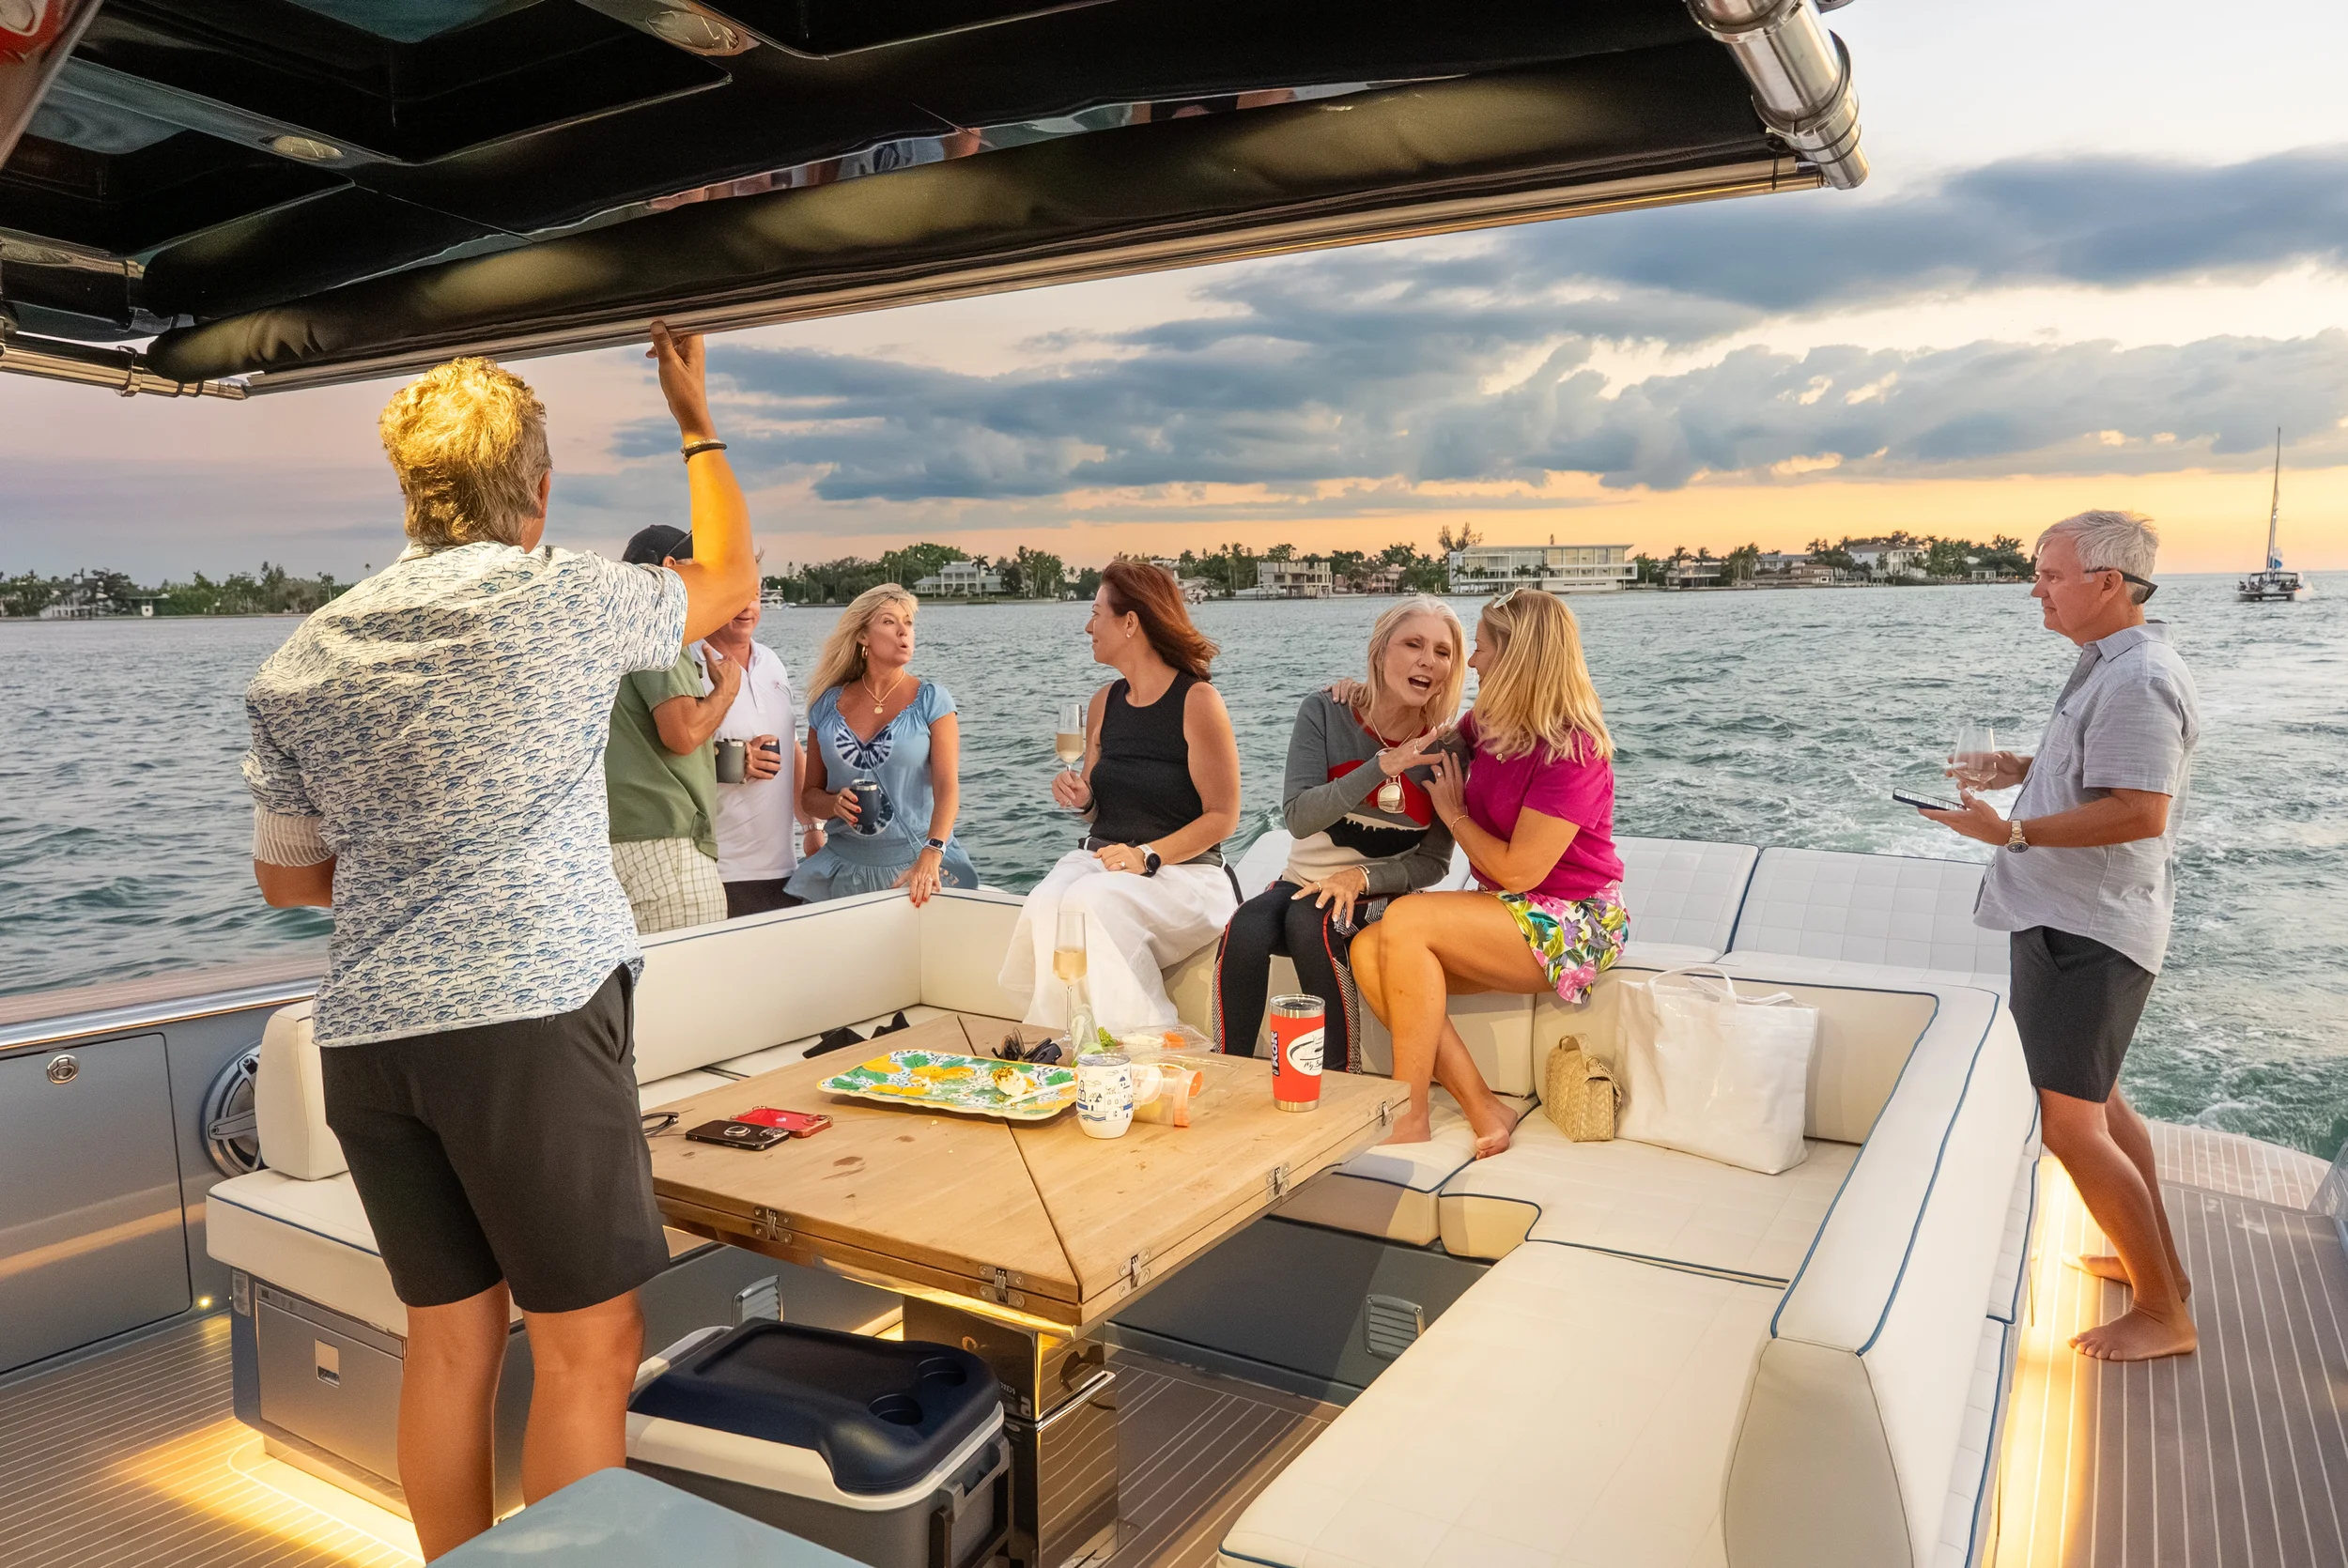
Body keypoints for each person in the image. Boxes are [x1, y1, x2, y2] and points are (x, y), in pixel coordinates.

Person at [241, 326, 757, 1559]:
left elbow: (284, 874)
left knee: (450, 1341)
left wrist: (415, 870)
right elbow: (730, 575)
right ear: (535, 489)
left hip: (371, 1041)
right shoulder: (565, 598)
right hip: (529, 1023)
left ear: (413, 492)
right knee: (588, 1350)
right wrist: (695, 416)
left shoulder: (302, 655)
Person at [1921, 510, 2200, 1362]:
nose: (2033, 587)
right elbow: (2100, 774)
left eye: (2048, 573)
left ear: (2108, 584)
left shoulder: (2138, 677)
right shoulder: (2106, 665)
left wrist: (2009, 832)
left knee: (2070, 1125)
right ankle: (2160, 1272)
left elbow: (2138, 812)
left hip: (2088, 930)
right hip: (2064, 917)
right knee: (2104, 1104)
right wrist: (2020, 773)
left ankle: (2164, 1315)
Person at [1349, 589, 1630, 1158]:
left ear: (1518, 657)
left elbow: (1520, 872)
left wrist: (1454, 813)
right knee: (1368, 947)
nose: (1471, 662)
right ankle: (1484, 1107)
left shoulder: (1572, 752)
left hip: (1575, 923)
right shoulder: (1492, 726)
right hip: (1511, 911)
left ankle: (1411, 1113)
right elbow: (1424, 745)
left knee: (1405, 920)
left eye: (1479, 649)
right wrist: (1357, 701)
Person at [1213, 596, 1465, 1070]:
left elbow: (1434, 864)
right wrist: (1381, 767)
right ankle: (1229, 1074)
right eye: (1413, 644)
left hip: (1381, 893)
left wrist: (1361, 878)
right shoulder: (1325, 711)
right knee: (1246, 925)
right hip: (1300, 882)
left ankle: (1339, 1083)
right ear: (1380, 649)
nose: (1428, 661)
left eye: (1443, 652)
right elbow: (1300, 818)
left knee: (1312, 922)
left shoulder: (1448, 747)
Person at [999, 560, 1243, 1032]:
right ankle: (1066, 1039)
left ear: (1130, 622)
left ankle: (1150, 1045)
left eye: (1096, 613)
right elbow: (1098, 812)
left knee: (1090, 900)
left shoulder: (1197, 702)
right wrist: (1084, 799)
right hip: (1112, 863)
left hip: (1184, 875)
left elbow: (1223, 817)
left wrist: (1146, 856)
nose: (1087, 626)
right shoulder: (1103, 702)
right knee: (1049, 901)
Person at [787, 584, 977, 904]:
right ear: (863, 636)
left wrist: (932, 852)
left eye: (909, 623)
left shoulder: (932, 701)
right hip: (843, 873)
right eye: (889, 622)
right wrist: (834, 805)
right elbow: (809, 798)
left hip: (915, 871)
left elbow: (948, 789)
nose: (904, 631)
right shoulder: (826, 707)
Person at [605, 522, 729, 932]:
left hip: (610, 843)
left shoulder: (604, 634)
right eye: (700, 568)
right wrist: (725, 692)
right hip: (668, 851)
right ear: (671, 568)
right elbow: (682, 734)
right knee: (700, 989)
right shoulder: (656, 628)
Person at [693, 593, 822, 917]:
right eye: (735, 595)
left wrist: (811, 828)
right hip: (718, 872)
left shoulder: (771, 662)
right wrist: (735, 759)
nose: (747, 606)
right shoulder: (688, 663)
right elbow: (668, 751)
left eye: (753, 595)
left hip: (784, 870)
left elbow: (791, 747)